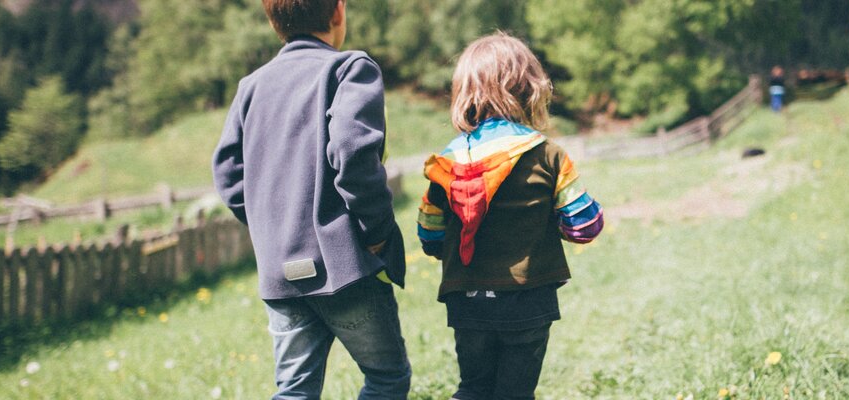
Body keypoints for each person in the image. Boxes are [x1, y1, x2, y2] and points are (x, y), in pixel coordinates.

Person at [211, 0, 410, 398]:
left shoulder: (251, 86)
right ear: (338, 11)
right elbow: (353, 154)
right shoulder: (349, 68)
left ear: (273, 21)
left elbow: (228, 174)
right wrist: (378, 232)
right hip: (346, 267)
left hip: (280, 274)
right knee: (387, 377)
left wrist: (275, 231)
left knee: (294, 392)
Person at [417, 32, 604, 400]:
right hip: (528, 300)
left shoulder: (446, 163)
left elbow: (429, 235)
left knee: (473, 387)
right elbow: (584, 226)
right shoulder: (549, 156)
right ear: (529, 88)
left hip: (467, 300)